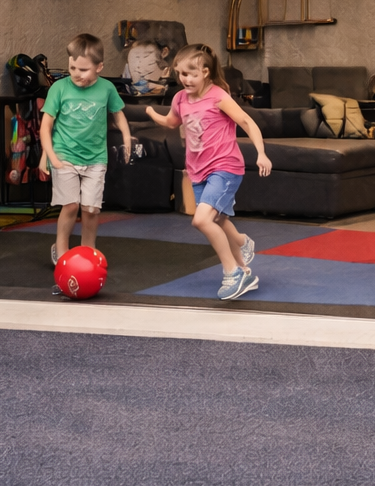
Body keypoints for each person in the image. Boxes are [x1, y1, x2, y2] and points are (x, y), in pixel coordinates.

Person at [146, 43, 272, 300]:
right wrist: (150, 112)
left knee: (202, 219)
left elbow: (247, 122)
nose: (186, 79)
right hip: (198, 169)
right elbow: (172, 122)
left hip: (225, 167)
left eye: (191, 74)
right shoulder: (180, 98)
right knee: (218, 219)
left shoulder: (218, 96)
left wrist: (261, 153)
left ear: (205, 72)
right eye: (181, 74)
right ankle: (243, 257)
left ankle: (232, 272)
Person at [38, 33, 131, 267]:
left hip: (96, 158)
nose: (77, 74)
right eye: (72, 68)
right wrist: (47, 156)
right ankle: (61, 251)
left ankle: (89, 252)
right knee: (70, 205)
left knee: (91, 209)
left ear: (99, 67)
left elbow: (118, 114)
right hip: (63, 155)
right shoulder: (59, 89)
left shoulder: (107, 89)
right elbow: (46, 126)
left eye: (84, 70)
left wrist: (127, 138)